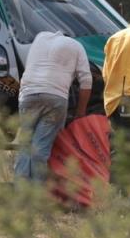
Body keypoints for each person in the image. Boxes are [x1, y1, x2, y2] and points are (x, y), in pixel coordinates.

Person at [14, 30, 93, 183]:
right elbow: (86, 81)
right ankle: (37, 196)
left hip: (28, 95)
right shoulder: (77, 45)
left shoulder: (40, 37)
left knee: (25, 144)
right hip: (55, 98)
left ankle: (20, 194)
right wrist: (80, 112)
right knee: (41, 148)